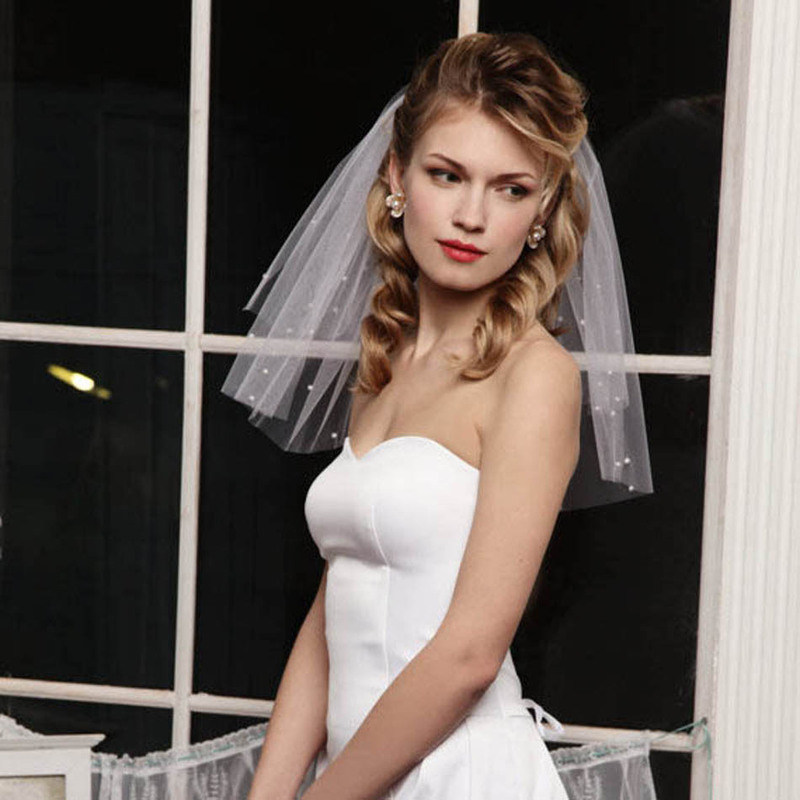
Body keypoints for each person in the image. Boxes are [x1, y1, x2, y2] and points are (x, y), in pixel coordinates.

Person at [229, 31, 651, 800]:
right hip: (353, 778)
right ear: (397, 175)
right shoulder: (387, 356)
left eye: (510, 189)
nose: (471, 216)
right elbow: (334, 611)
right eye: (447, 175)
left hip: (461, 778)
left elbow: (469, 657)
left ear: (542, 208)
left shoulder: (536, 377)